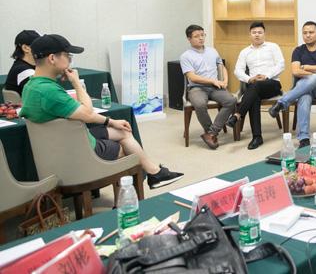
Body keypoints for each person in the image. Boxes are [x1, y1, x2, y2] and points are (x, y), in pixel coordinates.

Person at [20, 34, 183, 189]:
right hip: (77, 150)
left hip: (59, 147)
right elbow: (88, 112)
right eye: (67, 55)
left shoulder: (31, 86)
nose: (70, 60)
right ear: (52, 58)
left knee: (122, 131)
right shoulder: (49, 91)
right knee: (127, 150)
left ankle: (154, 173)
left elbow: (83, 114)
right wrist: (76, 83)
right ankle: (135, 189)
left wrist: (111, 121)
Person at [267, 21, 316, 148]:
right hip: (303, 87)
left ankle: (282, 102)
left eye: (311, 32)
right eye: (305, 33)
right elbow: (295, 71)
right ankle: (304, 139)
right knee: (304, 96)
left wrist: (306, 67)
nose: (308, 35)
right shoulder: (298, 50)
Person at [179, 24, 237, 150]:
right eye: (196, 36)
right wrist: (212, 80)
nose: (201, 38)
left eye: (202, 35)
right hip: (197, 88)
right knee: (200, 104)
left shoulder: (212, 51)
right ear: (189, 39)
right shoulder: (185, 56)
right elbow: (192, 77)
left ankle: (211, 133)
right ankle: (211, 132)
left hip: (215, 87)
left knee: (231, 100)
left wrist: (225, 81)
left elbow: (222, 67)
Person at [231, 21, 285, 150]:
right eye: (254, 32)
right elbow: (237, 70)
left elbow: (281, 64)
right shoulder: (245, 52)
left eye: (260, 32)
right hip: (254, 85)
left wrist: (267, 76)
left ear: (264, 34)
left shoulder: (273, 47)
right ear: (250, 34)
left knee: (254, 88)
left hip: (272, 83)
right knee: (254, 95)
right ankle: (257, 137)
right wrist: (249, 79)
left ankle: (238, 115)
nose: (257, 35)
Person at [5, 30, 41, 96]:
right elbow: (44, 93)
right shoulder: (23, 71)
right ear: (25, 48)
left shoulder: (21, 66)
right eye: (39, 44)